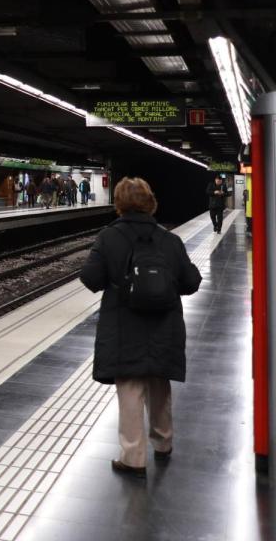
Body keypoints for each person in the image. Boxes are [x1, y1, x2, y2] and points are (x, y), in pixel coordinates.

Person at [79, 177, 201, 477]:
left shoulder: (109, 237)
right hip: (164, 323)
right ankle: (163, 442)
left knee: (130, 388)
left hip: (123, 326)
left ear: (119, 203)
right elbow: (191, 282)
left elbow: (91, 279)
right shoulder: (169, 240)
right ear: (150, 202)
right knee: (159, 381)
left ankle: (133, 457)